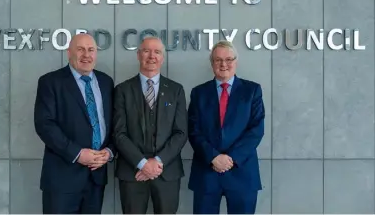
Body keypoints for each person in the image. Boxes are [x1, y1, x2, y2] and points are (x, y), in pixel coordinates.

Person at [34, 33, 116, 214]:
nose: (86, 55)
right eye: (80, 49)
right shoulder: (50, 82)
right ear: (69, 52)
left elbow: (114, 124)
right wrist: (77, 153)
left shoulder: (106, 82)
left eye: (91, 50)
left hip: (96, 178)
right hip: (62, 178)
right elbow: (45, 125)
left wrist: (109, 151)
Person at [187, 40, 265, 214]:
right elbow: (193, 130)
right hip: (207, 172)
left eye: (229, 59)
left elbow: (256, 130)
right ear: (212, 63)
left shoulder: (252, 90)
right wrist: (213, 157)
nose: (224, 64)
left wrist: (231, 158)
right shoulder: (198, 93)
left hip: (242, 172)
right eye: (218, 60)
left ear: (236, 62)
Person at [113, 36, 188, 214]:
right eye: (146, 51)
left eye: (157, 52)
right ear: (138, 55)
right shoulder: (122, 90)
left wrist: (157, 162)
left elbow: (181, 132)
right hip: (132, 172)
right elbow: (118, 133)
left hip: (167, 172)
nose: (151, 56)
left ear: (162, 58)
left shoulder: (176, 90)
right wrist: (142, 163)